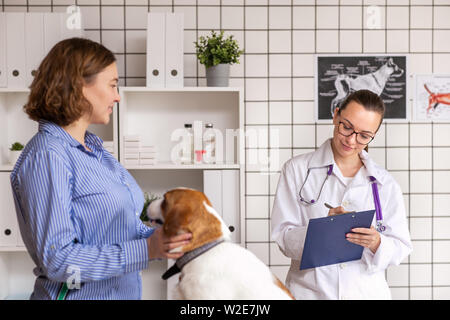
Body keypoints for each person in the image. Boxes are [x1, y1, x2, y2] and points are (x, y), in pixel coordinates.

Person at [9, 38, 192, 300]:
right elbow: (60, 261)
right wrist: (148, 249)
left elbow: (121, 227)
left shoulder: (95, 150)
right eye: (113, 85)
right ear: (80, 85)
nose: (117, 96)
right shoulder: (48, 155)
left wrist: (168, 238)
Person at [271, 90, 412, 300]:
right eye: (347, 127)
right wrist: (322, 232)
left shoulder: (385, 184)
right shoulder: (297, 170)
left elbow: (400, 247)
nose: (352, 140)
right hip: (310, 294)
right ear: (336, 115)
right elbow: (283, 237)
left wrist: (376, 242)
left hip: (367, 294)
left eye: (364, 135)